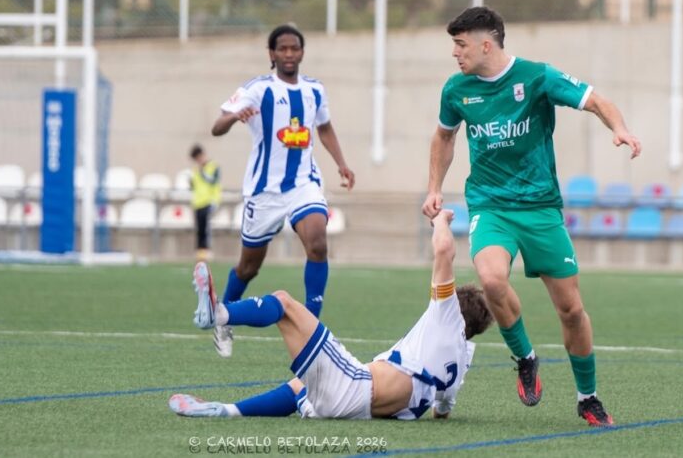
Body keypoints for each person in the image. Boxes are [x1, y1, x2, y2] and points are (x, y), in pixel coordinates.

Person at [422, 6, 642, 427]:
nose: (455, 53)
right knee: (490, 280)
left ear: (486, 45)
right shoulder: (455, 90)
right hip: (490, 206)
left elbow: (596, 100)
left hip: (541, 208)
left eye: (461, 44)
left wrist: (619, 128)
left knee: (571, 310)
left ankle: (588, 398)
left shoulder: (537, 77)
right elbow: (444, 137)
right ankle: (525, 357)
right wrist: (434, 187)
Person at [169, 209, 493, 420]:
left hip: (355, 385)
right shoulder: (461, 361)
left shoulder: (446, 317)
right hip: (356, 409)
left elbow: (443, 250)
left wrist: (440, 220)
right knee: (301, 385)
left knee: (284, 302)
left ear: (455, 309)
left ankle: (218, 313)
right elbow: (442, 410)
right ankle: (226, 410)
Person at [210, 24, 355, 358]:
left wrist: (342, 163)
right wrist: (234, 117)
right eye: (283, 49)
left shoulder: (315, 90)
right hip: (264, 192)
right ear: (272, 54)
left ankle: (310, 327)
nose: (289, 54)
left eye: (295, 48)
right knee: (248, 267)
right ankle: (223, 316)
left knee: (317, 243)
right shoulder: (257, 89)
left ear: (302, 52)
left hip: (304, 184)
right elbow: (216, 126)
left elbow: (325, 127)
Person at [188, 144, 221, 261]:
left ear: (202, 155)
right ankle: (200, 252)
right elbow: (194, 186)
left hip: (209, 201)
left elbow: (213, 181)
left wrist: (202, 172)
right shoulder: (195, 169)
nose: (197, 161)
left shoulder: (213, 166)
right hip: (198, 202)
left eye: (198, 157)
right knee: (199, 229)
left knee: (207, 228)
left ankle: (207, 251)